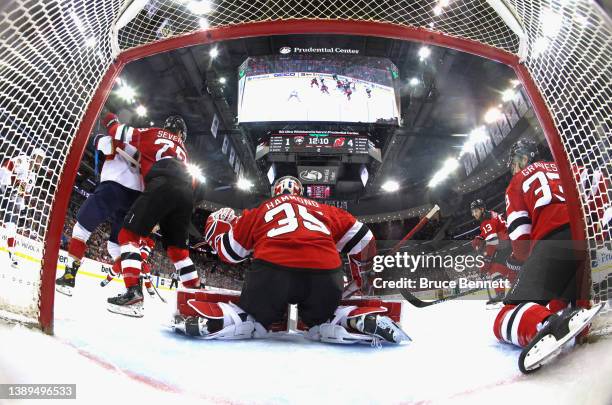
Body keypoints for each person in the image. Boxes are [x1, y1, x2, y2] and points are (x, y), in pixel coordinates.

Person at [173, 176, 410, 344]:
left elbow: (231, 254)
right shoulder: (323, 209)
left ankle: (227, 321)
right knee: (321, 321)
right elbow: (365, 240)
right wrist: (361, 278)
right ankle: (349, 320)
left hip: (272, 273)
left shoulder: (259, 211)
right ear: (302, 193)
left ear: (275, 192)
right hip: (325, 275)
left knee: (256, 319)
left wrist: (215, 229)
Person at [492, 139, 603, 373]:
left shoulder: (518, 181)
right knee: (558, 302)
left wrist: (522, 262)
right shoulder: (568, 167)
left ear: (523, 158)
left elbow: (522, 245)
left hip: (557, 245)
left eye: (515, 163)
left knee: (505, 316)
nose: (514, 168)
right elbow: (601, 187)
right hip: (594, 245)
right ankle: (577, 309)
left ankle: (547, 324)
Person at [102, 112, 200, 317]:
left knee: (127, 236)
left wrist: (110, 118)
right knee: (178, 252)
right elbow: (196, 186)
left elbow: (117, 132)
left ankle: (133, 293)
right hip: (186, 194)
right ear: (181, 134)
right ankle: (196, 302)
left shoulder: (155, 133)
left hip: (161, 185)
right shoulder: (183, 150)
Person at [55, 133, 143, 296]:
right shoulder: (148, 152)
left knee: (81, 229)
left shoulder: (123, 140)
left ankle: (69, 277)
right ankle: (133, 289)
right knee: (116, 246)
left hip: (113, 188)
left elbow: (98, 142)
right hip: (136, 199)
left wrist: (102, 134)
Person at [0, 148, 46, 267]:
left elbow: (25, 192)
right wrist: (8, 184)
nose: (40, 163)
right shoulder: (23, 161)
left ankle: (12, 253)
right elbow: (7, 165)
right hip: (2, 189)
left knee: (12, 226)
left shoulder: (33, 177)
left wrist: (21, 203)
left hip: (11, 198)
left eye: (42, 161)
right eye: (39, 159)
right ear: (34, 156)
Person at [470, 198, 515, 306]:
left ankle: (505, 291)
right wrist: (481, 237)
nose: (474, 214)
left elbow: (492, 242)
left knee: (493, 267)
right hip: (509, 242)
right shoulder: (491, 214)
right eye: (473, 212)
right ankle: (513, 287)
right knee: (503, 267)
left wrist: (486, 260)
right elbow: (492, 231)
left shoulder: (486, 221)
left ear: (482, 209)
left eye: (476, 211)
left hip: (505, 245)